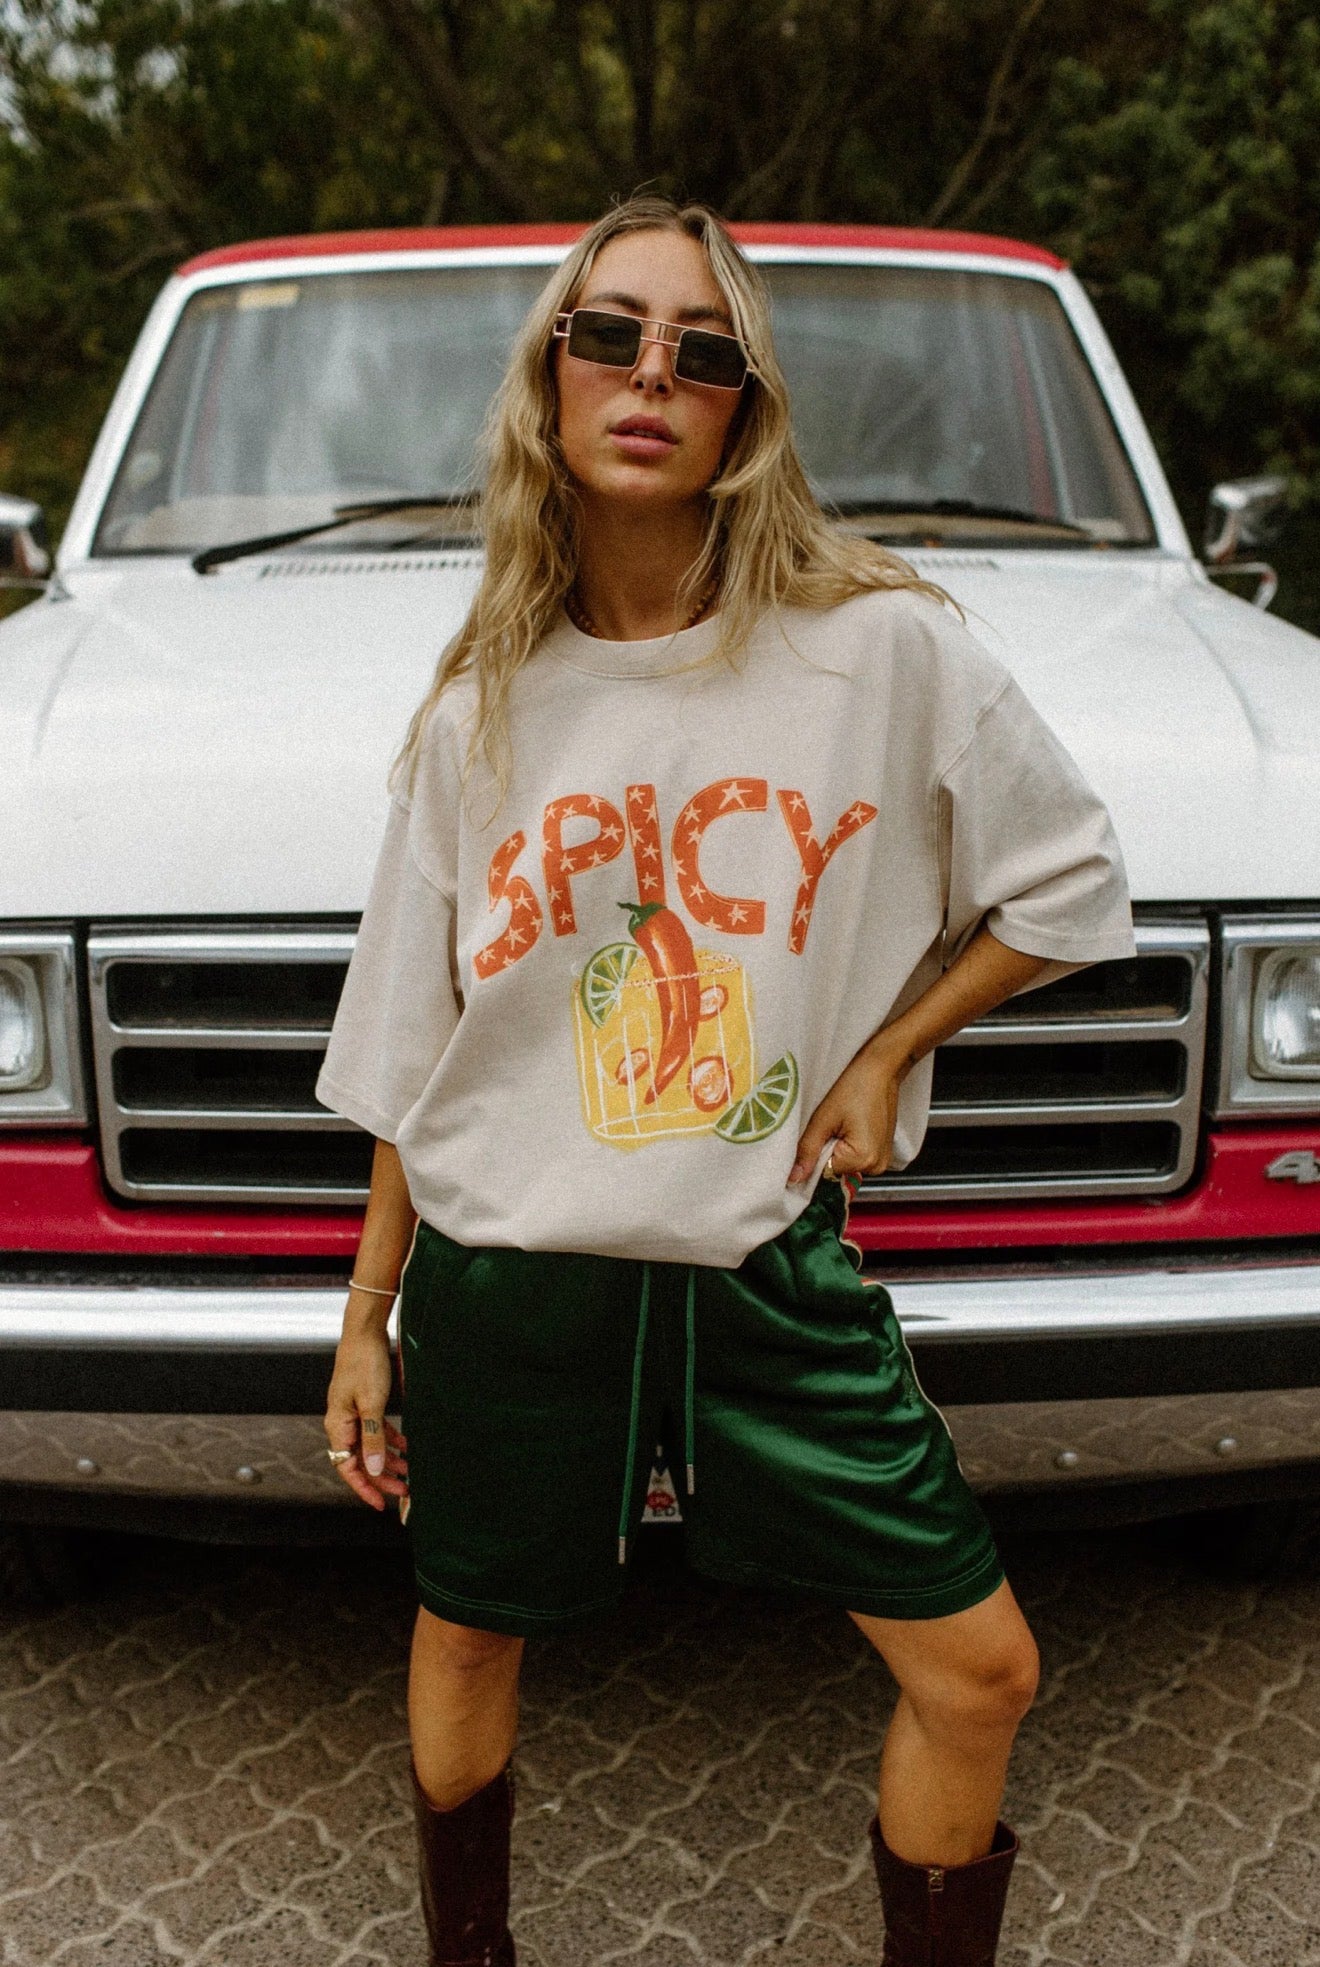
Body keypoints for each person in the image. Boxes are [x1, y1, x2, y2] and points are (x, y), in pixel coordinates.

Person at [316, 195, 1135, 1967]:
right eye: (609, 335)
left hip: (766, 1265)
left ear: (746, 408)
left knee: (981, 1667)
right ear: (550, 374)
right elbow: (412, 1048)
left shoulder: (879, 650)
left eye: (703, 353)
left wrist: (889, 1046)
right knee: (468, 1632)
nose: (651, 377)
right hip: (511, 1274)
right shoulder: (479, 709)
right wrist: (367, 1315)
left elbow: (1069, 886)